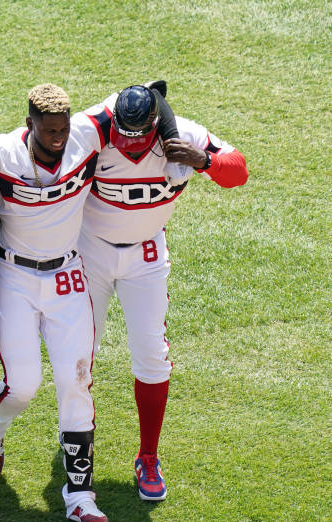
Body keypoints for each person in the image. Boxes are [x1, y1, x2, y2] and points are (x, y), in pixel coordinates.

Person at [0, 83, 180, 522]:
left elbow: (152, 92)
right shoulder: (3, 151)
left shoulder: (86, 131)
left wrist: (171, 145)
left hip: (67, 275)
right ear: (29, 125)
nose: (58, 139)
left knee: (77, 381)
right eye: (48, 131)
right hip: (15, 276)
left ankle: (80, 498)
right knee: (23, 384)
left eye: (63, 129)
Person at [79, 84, 248, 502]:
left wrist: (204, 161)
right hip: (90, 250)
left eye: (139, 135)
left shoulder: (184, 135)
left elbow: (239, 170)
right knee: (80, 352)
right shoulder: (91, 128)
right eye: (124, 133)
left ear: (155, 124)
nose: (131, 143)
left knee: (152, 353)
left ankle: (149, 456)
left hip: (147, 253)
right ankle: (79, 440)